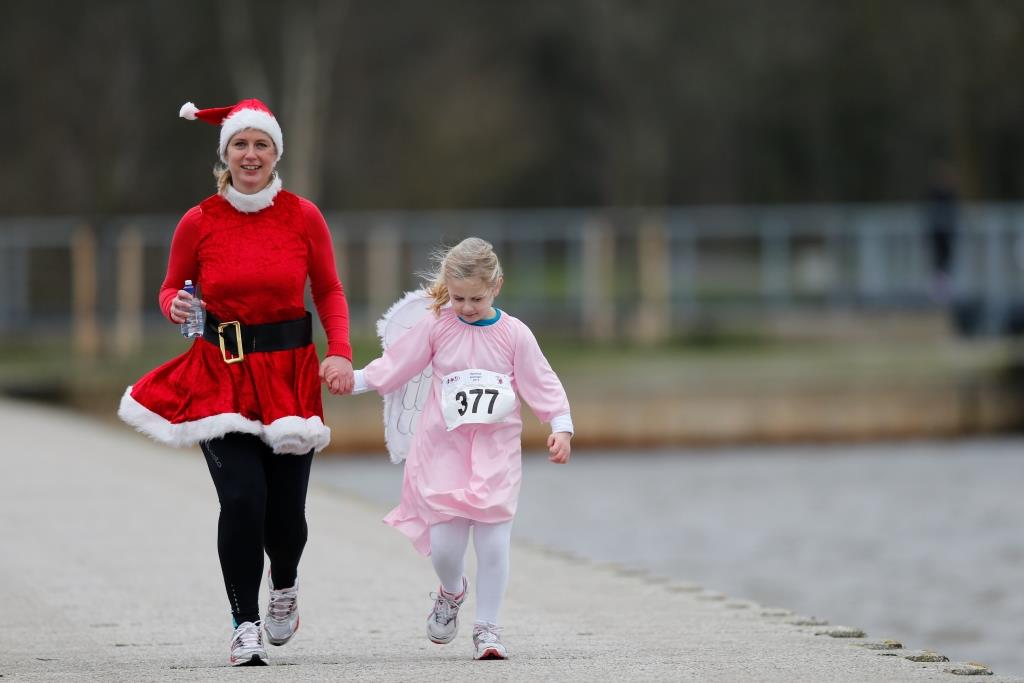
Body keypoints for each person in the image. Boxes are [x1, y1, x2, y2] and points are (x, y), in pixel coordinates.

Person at [117, 99, 354, 666]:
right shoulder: (199, 221)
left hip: (290, 377)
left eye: (261, 145)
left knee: (286, 516)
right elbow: (171, 287)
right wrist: (174, 305)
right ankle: (244, 624)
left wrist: (340, 353)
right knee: (243, 500)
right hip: (220, 376)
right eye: (240, 145)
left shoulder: (303, 217)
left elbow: (329, 291)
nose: (251, 155)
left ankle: (285, 584)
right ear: (225, 154)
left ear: (276, 154)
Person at [347, 237, 573, 660]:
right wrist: (356, 380)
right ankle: (452, 591)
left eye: (476, 299)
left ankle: (488, 629)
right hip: (443, 452)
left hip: (496, 454)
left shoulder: (515, 335)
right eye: (458, 298)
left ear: (496, 287)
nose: (466, 307)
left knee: (493, 545)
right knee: (446, 548)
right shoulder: (437, 325)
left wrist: (561, 426)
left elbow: (541, 381)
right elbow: (398, 364)